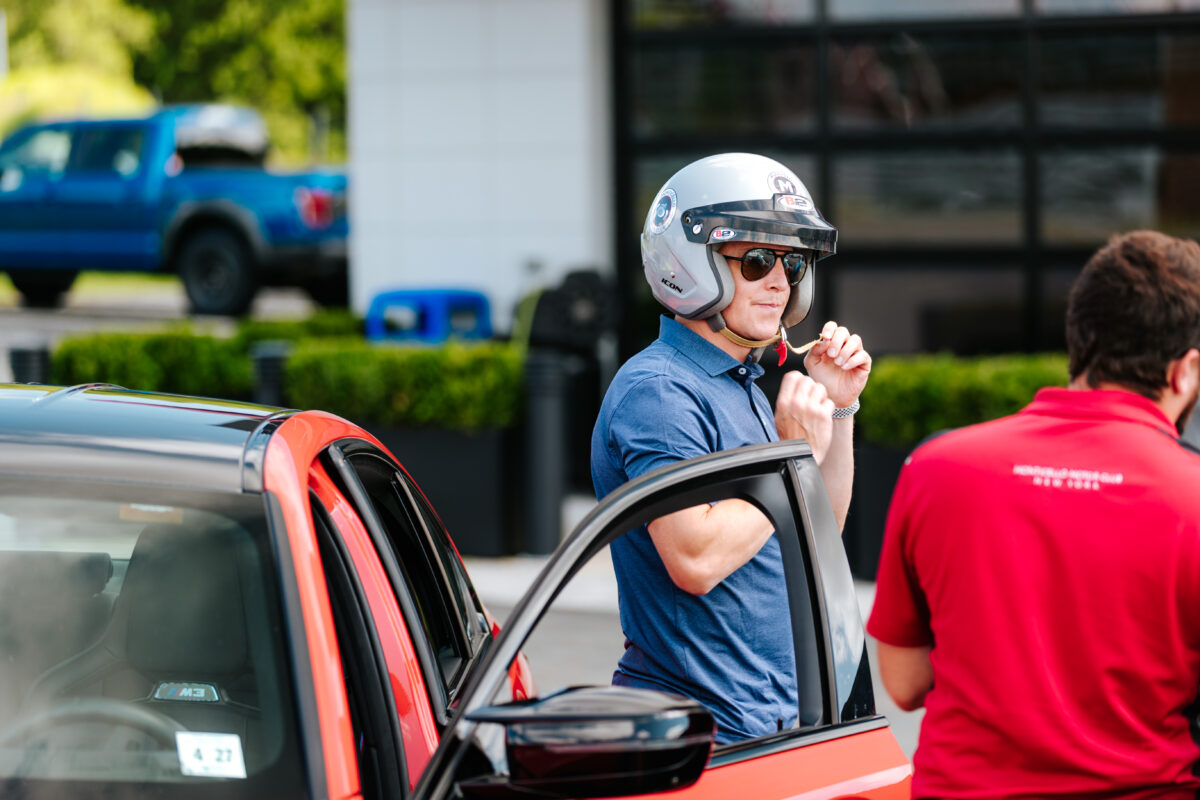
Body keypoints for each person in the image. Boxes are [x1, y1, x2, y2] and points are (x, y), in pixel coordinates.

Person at [868, 230, 1200, 798]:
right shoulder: (1190, 493)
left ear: (1080, 339)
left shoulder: (936, 466)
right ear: (1185, 370)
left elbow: (903, 682)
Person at [591, 153, 871, 743]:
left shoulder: (739, 382)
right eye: (759, 259)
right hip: (706, 738)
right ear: (689, 263)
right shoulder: (661, 392)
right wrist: (794, 451)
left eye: (791, 263)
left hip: (777, 721)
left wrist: (838, 408)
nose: (778, 281)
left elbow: (821, 535)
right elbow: (695, 560)